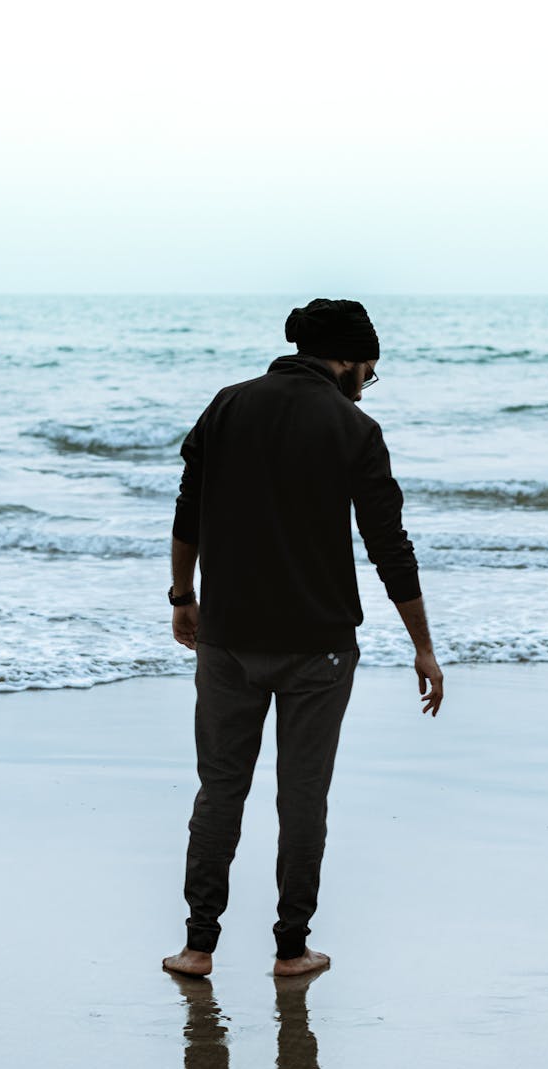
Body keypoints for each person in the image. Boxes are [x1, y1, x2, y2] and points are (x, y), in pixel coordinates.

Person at [163, 298, 443, 979]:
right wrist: (423, 645)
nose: (365, 384)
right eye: (366, 371)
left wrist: (182, 595)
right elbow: (389, 547)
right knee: (303, 795)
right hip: (319, 646)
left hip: (226, 639)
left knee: (220, 789)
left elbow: (188, 508)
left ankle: (199, 946)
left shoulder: (226, 406)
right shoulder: (353, 427)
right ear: (345, 359)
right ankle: (292, 949)